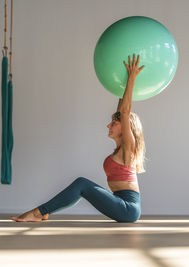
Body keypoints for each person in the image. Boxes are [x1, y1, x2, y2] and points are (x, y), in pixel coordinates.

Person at [10, 55, 145, 223]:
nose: (108, 126)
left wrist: (132, 77)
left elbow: (125, 112)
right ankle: (45, 211)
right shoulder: (121, 149)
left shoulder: (128, 148)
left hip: (127, 209)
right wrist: (122, 82)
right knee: (81, 187)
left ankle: (39, 212)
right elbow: (121, 110)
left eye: (114, 123)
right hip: (122, 204)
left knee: (82, 184)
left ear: (126, 129)